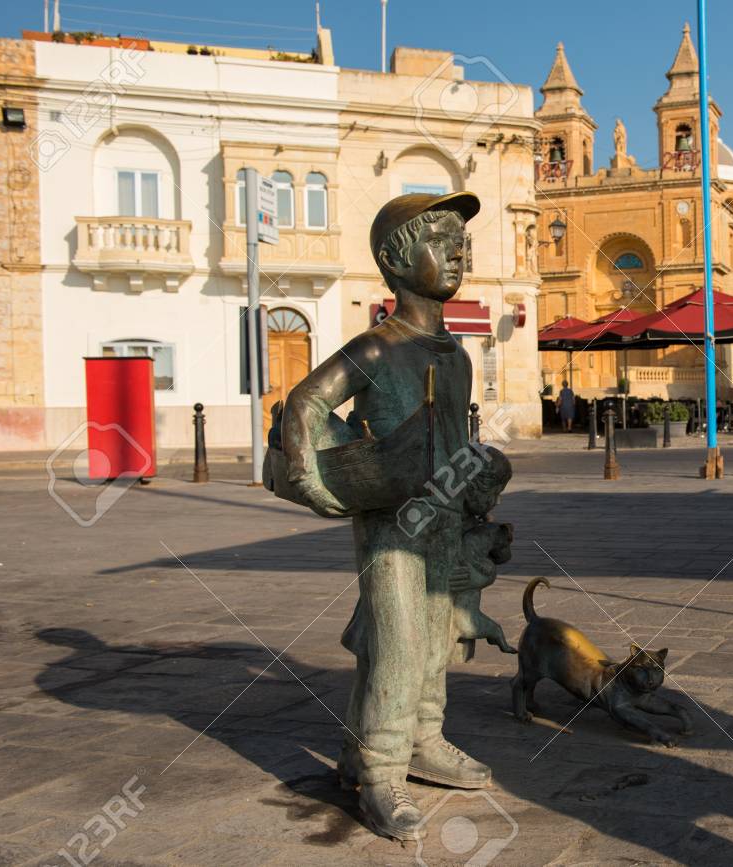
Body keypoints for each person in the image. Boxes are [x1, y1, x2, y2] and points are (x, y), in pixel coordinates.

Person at [281, 192, 492, 841]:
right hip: (391, 521)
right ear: (396, 261)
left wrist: (479, 486)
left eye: (461, 242)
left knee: (437, 635)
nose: (457, 252)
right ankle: (378, 768)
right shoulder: (375, 347)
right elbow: (304, 403)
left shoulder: (456, 355)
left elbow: (457, 431)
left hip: (446, 515)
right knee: (398, 643)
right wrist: (311, 480)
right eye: (439, 240)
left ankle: (423, 737)